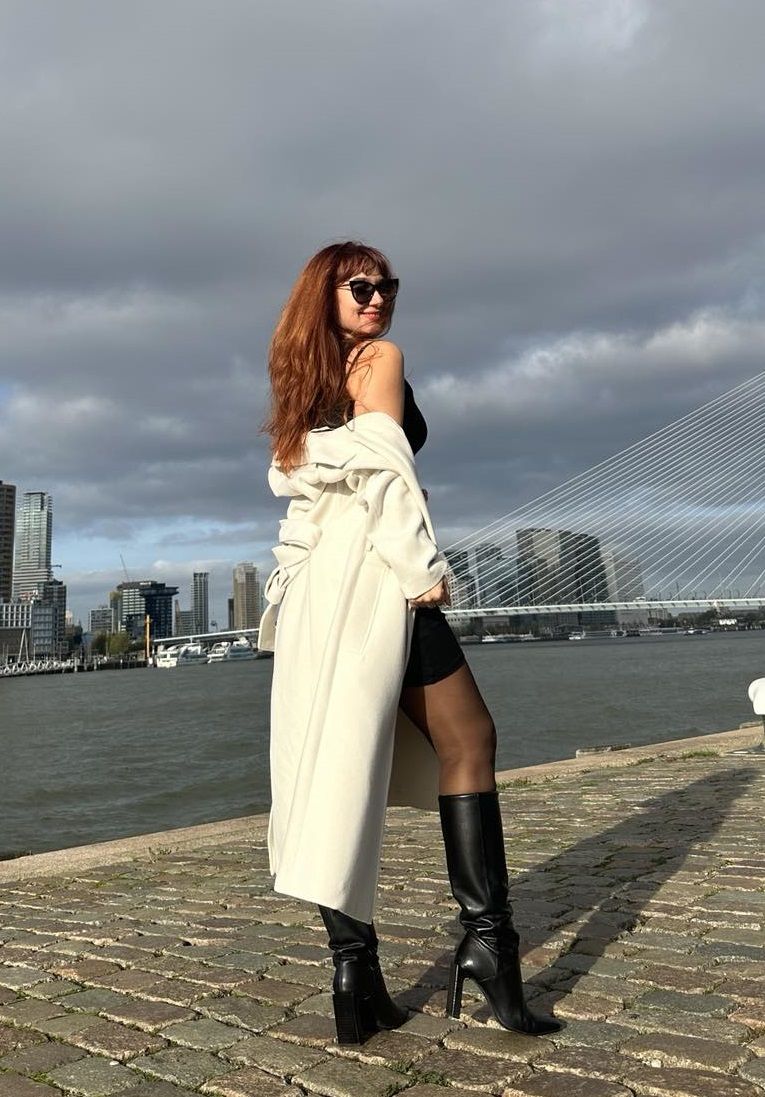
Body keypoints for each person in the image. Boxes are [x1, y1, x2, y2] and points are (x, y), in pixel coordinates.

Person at [260, 241, 559, 1044]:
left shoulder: (302, 378)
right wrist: (419, 569)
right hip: (374, 575)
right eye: (359, 286)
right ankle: (489, 948)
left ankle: (353, 975)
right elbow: (385, 475)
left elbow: (306, 481)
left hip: (315, 587)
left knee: (333, 767)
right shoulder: (380, 360)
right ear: (323, 294)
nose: (378, 298)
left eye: (387, 285)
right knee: (469, 738)